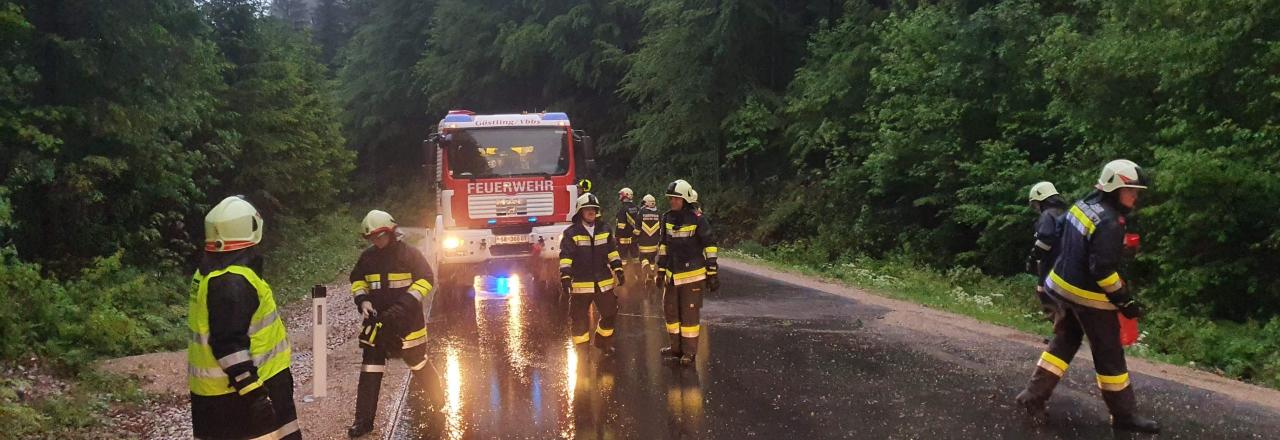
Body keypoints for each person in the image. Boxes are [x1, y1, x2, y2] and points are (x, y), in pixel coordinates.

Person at [1015, 159, 1159, 433]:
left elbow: (1068, 239)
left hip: (1061, 288)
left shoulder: (1083, 205)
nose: (1135, 197)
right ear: (1115, 188)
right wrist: (1125, 301)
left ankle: (1032, 396)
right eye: (1132, 191)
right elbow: (1102, 270)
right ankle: (1124, 415)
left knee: (1065, 341)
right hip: (1088, 298)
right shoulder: (1111, 222)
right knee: (1109, 355)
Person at [188, 195, 300, 440]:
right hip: (243, 397)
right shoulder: (232, 281)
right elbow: (228, 343)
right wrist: (254, 392)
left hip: (217, 398)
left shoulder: (209, 272)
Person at [347, 210, 436, 438]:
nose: (375, 242)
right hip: (377, 324)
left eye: (379, 236)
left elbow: (426, 280)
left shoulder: (410, 255)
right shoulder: (367, 258)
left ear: (391, 232)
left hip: (408, 324)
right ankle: (363, 422)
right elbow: (357, 280)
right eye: (371, 238)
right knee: (370, 371)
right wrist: (363, 300)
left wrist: (404, 305)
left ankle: (440, 402)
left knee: (418, 363)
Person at [657, 180, 718, 366]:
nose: (672, 202)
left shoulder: (698, 218)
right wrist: (660, 270)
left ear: (685, 199)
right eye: (671, 199)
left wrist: (713, 271)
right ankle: (676, 349)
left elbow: (709, 245)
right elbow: (663, 246)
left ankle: (689, 353)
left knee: (689, 316)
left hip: (693, 276)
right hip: (672, 276)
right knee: (671, 313)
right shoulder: (667, 218)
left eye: (676, 198)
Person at [559, 193, 625, 354]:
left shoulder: (605, 229)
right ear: (580, 212)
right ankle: (582, 350)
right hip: (581, 284)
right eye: (587, 209)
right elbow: (566, 256)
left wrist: (618, 269)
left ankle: (603, 342)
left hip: (603, 281)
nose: (591, 212)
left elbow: (612, 252)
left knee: (610, 313)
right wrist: (565, 277)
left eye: (593, 209)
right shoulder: (571, 233)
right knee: (579, 320)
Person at [1026, 181, 1068, 321]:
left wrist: (1033, 257)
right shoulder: (1065, 213)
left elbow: (1045, 240)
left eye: (1035, 204)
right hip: (1066, 264)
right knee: (1058, 299)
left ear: (1041, 200)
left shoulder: (1047, 215)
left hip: (1051, 263)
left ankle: (1063, 333)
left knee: (1046, 295)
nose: (1035, 208)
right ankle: (1063, 332)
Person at [636, 194, 662, 283]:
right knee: (652, 260)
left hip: (643, 244)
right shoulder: (658, 213)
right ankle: (650, 277)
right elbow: (661, 229)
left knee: (642, 258)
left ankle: (647, 269)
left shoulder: (641, 212)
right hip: (654, 244)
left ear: (646, 203)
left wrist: (634, 238)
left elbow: (637, 229)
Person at [615, 187, 641, 264]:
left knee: (623, 259)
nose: (620, 196)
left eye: (621, 195)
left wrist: (617, 237)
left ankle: (624, 274)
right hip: (634, 239)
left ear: (625, 195)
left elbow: (621, 226)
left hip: (623, 240)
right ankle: (639, 275)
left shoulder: (622, 209)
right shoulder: (637, 208)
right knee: (635, 258)